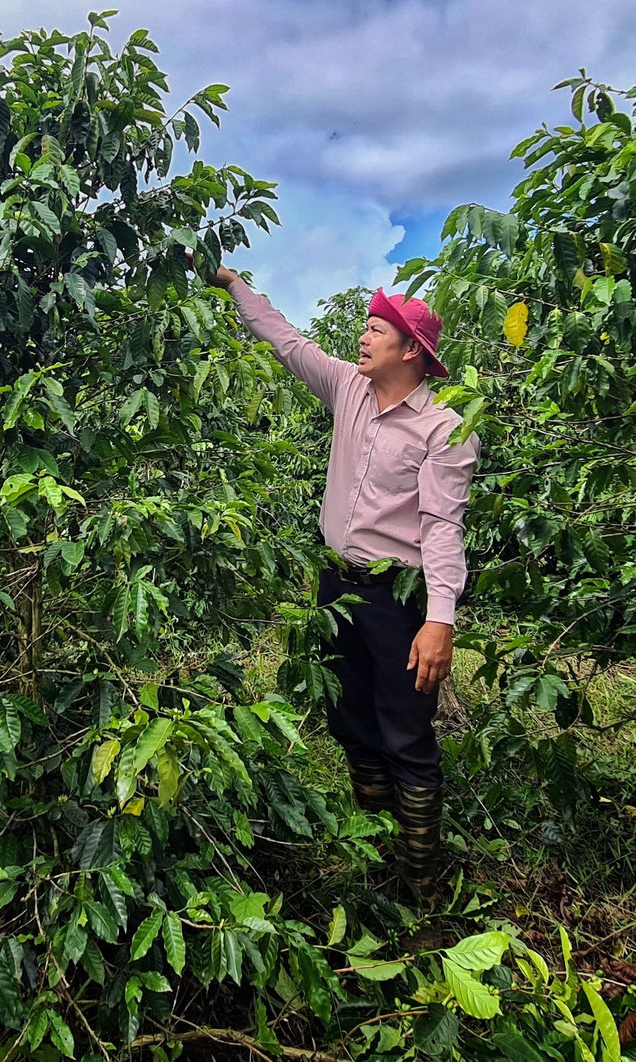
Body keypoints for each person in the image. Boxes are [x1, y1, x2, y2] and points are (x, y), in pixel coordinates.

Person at [211, 266, 477, 895]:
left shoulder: (442, 429)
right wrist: (232, 284)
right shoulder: (347, 391)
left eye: (376, 329)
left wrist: (440, 618)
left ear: (410, 350)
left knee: (406, 729)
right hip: (338, 589)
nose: (362, 337)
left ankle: (419, 883)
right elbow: (286, 340)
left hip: (397, 600)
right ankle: (375, 846)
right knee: (348, 714)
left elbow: (442, 527)